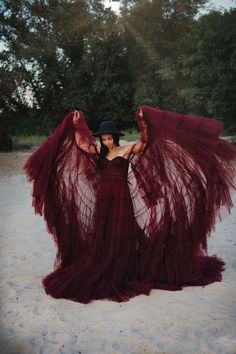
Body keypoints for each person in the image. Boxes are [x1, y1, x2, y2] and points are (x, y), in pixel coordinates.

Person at [24, 106, 236, 303]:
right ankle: (106, 260)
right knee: (104, 229)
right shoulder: (99, 152)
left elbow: (146, 142)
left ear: (115, 137)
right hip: (104, 195)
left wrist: (144, 122)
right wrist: (77, 124)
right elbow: (80, 144)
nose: (106, 141)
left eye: (109, 138)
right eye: (104, 138)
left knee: (122, 229)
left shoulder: (125, 150)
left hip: (121, 195)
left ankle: (123, 264)